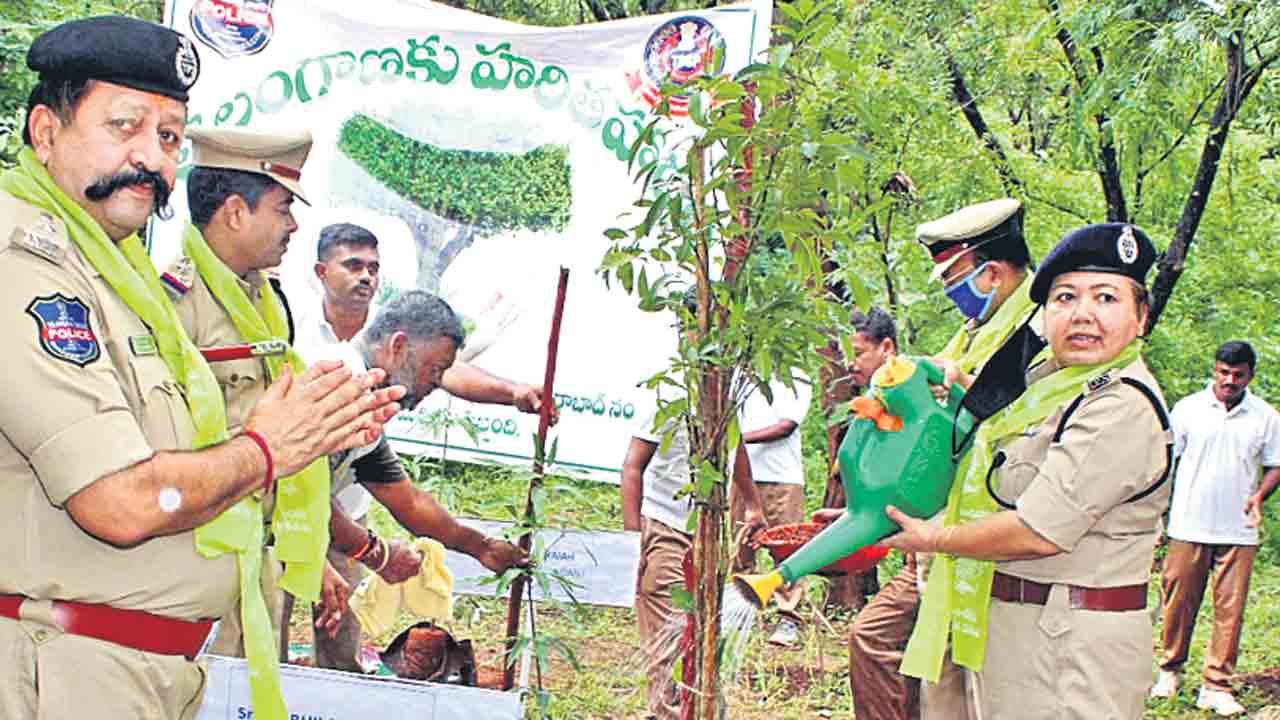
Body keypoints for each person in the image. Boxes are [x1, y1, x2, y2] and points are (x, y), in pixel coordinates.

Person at [0, 16, 402, 719]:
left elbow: (180, 455)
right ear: (46, 131)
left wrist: (304, 434)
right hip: (65, 669)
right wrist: (270, 448)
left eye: (167, 137)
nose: (149, 157)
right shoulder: (28, 267)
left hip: (134, 665)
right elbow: (121, 502)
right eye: (124, 125)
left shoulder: (116, 275)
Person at [883, 223, 1173, 720]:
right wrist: (957, 387)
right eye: (1065, 297)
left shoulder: (1120, 405)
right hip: (1010, 630)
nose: (1083, 314)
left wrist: (934, 539)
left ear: (1141, 317)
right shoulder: (1050, 384)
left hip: (1069, 649)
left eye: (1106, 297)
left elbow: (1037, 531)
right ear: (1045, 313)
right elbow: (992, 433)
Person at [840, 198, 1039, 720]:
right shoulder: (976, 329)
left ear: (992, 273)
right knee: (939, 687)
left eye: (954, 279)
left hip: (995, 549)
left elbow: (1011, 431)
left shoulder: (1033, 334)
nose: (952, 294)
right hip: (947, 542)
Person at [293, 288, 550, 672]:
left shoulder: (369, 401)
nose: (437, 382)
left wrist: (480, 547)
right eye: (435, 369)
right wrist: (374, 552)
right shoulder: (340, 382)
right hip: (256, 535)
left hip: (291, 534)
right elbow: (299, 488)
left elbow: (407, 499)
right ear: (398, 347)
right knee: (246, 652)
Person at [1150, 341, 1280, 716]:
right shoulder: (1188, 409)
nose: (1229, 381)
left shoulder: (1266, 417)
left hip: (1238, 529)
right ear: (1215, 369)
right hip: (1189, 522)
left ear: (1250, 375)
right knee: (1178, 600)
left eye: (1238, 375)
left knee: (1230, 610)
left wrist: (1259, 496)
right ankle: (1170, 670)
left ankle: (1216, 685)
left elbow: (1275, 464)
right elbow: (1165, 462)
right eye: (1224, 372)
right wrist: (1157, 514)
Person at [623, 397, 763, 720]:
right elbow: (632, 466)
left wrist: (753, 504)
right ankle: (668, 713)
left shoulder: (727, 394)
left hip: (708, 531)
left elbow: (736, 446)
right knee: (669, 635)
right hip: (665, 526)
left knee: (705, 631)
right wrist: (632, 542)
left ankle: (702, 711)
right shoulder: (669, 397)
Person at [732, 377, 813, 646]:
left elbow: (786, 426)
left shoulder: (796, 376)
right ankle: (740, 613)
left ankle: (788, 617)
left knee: (787, 550)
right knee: (741, 548)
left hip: (781, 477)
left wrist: (738, 440)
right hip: (743, 476)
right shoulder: (739, 374)